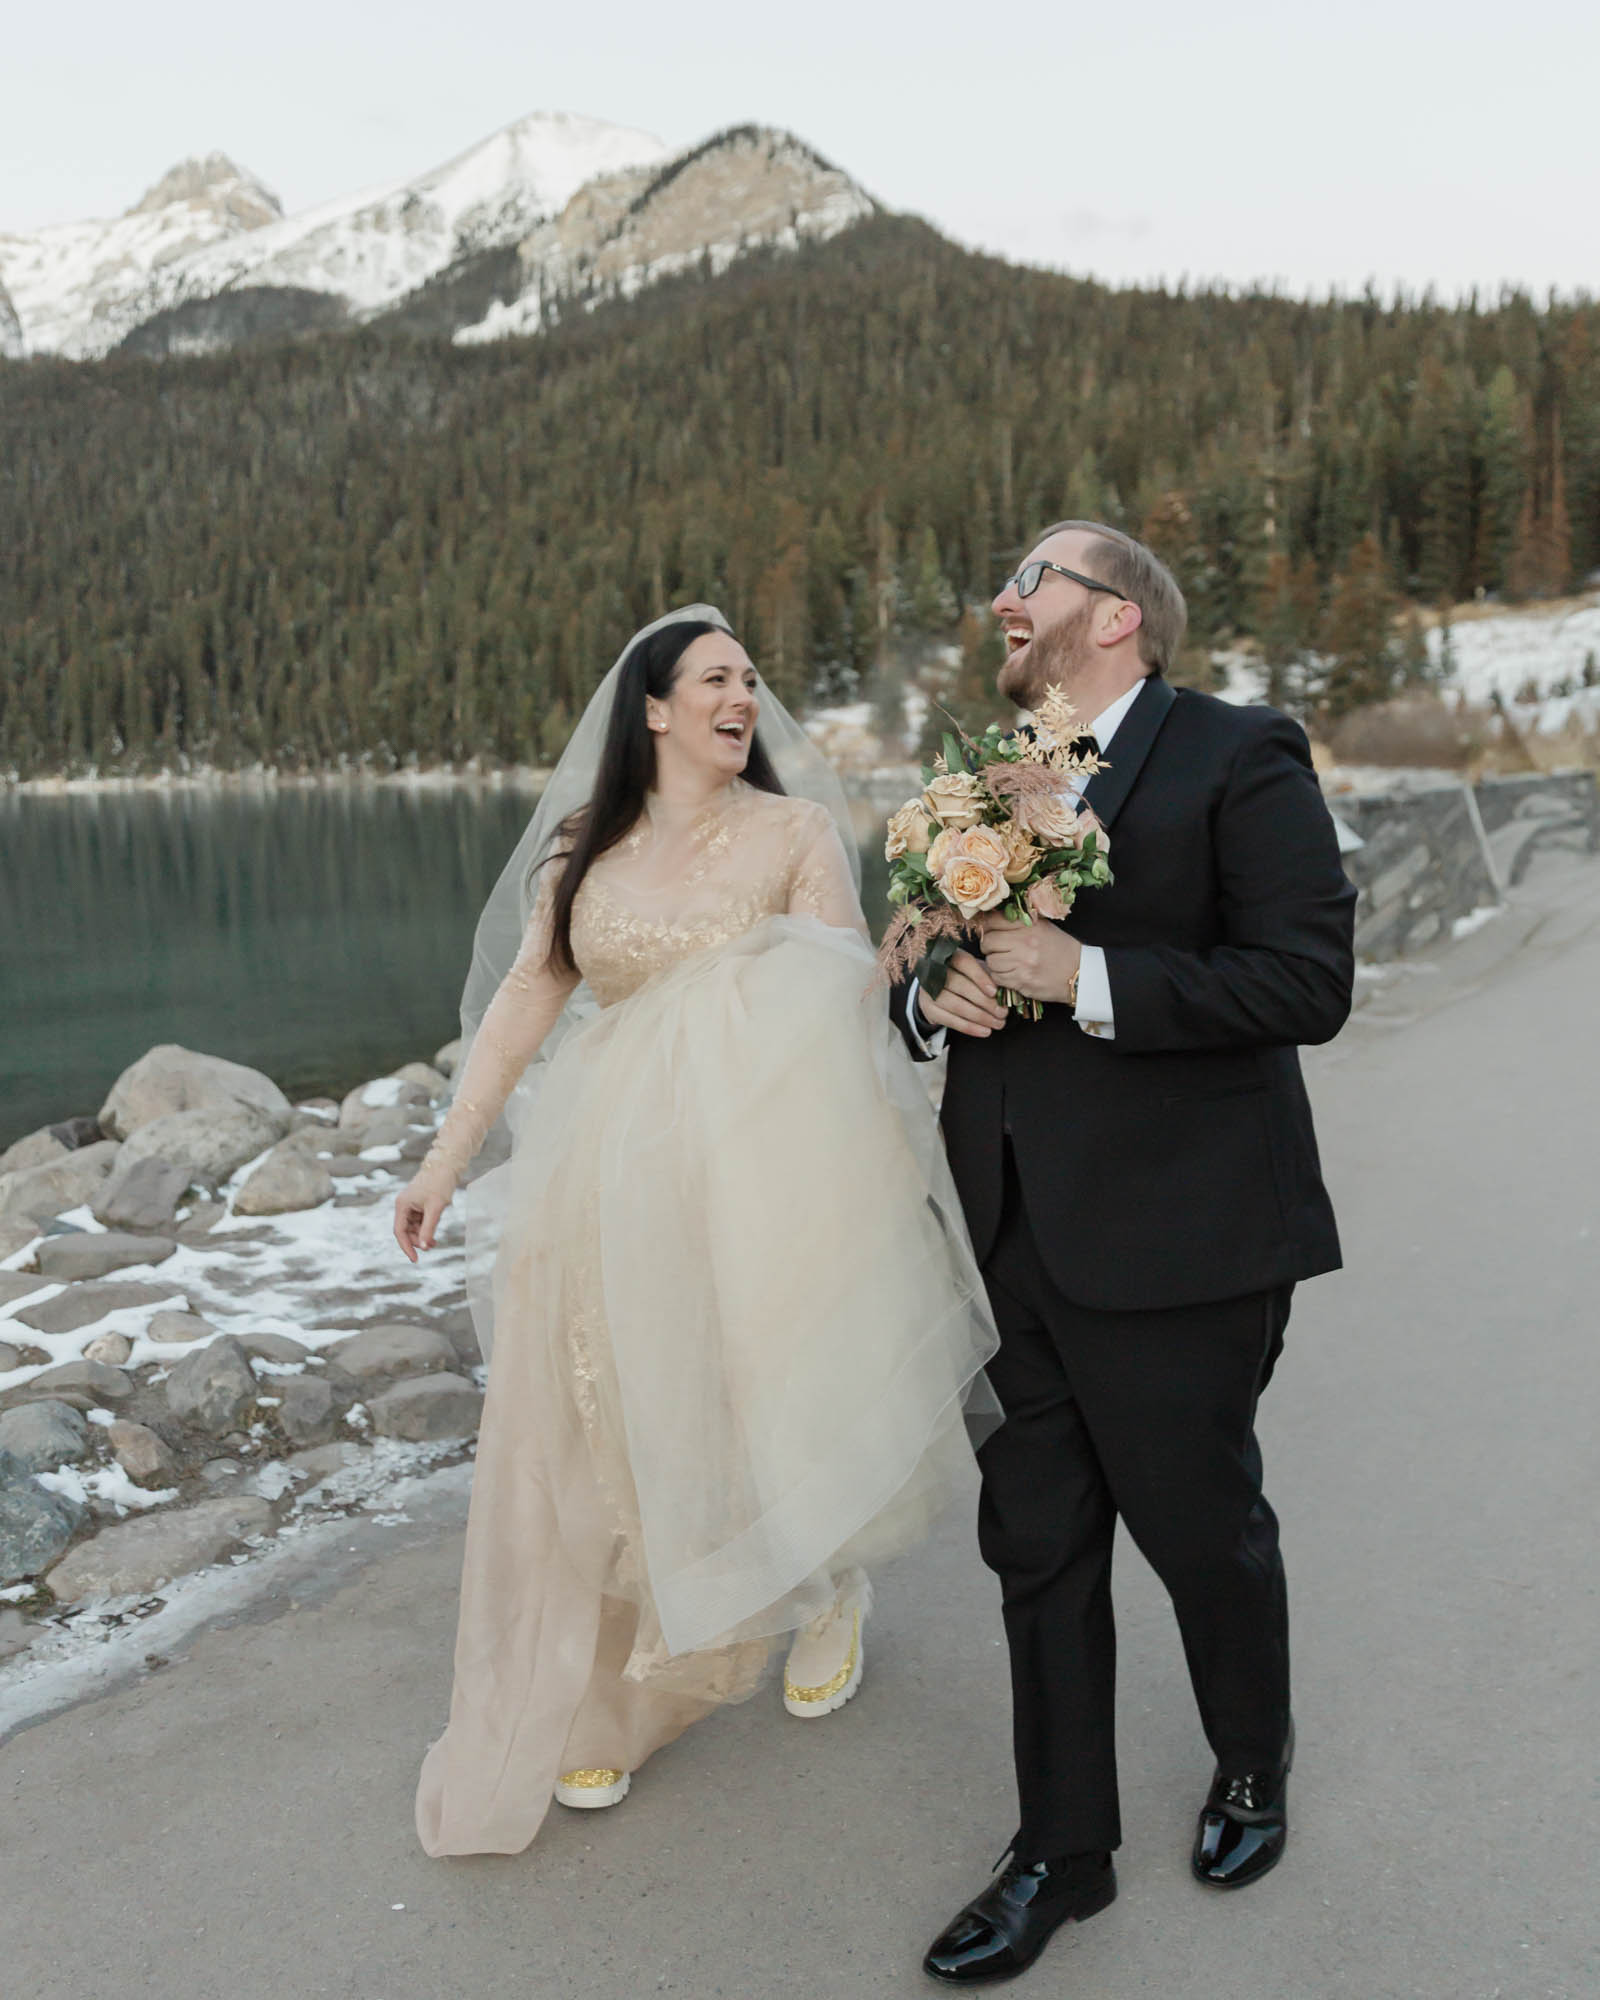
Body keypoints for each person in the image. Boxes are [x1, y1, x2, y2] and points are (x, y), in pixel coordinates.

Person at [395, 604, 997, 1858]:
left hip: (767, 1163)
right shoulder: (584, 848)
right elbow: (524, 997)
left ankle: (828, 1587)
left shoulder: (791, 831)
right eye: (715, 678)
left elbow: (847, 990)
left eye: (752, 678)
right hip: (605, 1181)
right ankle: (625, 1677)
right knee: (613, 1409)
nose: (744, 695)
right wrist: (445, 1158)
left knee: (764, 1386)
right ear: (654, 708)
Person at [899, 523, 1356, 1985]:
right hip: (1007, 1227)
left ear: (1117, 617)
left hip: (1184, 1233)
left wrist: (1085, 974)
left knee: (1200, 1526)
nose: (1001, 604)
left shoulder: (1238, 753)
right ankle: (1061, 1855)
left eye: (1028, 581)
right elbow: (925, 946)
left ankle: (1248, 1760)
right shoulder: (981, 777)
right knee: (1034, 1547)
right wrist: (937, 991)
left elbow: (1307, 978)